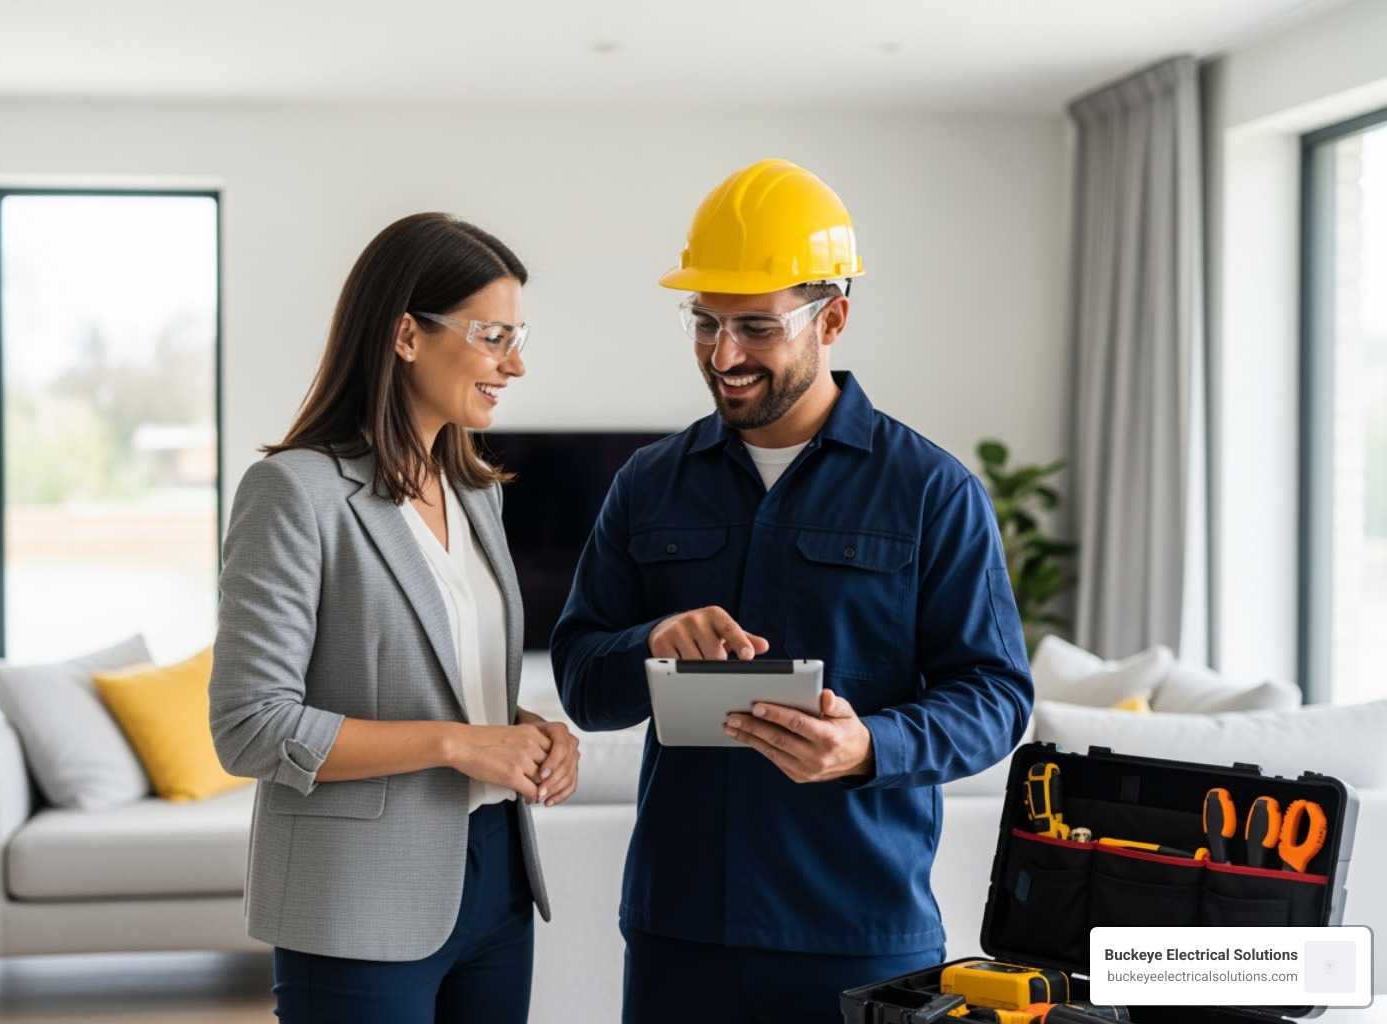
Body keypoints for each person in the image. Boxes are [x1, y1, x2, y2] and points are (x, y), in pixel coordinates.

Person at [550, 159, 1033, 1023]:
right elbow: (584, 681)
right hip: (681, 931)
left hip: (860, 934)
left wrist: (870, 746)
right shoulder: (647, 485)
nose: (723, 355)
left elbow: (997, 696)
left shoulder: (932, 491)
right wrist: (653, 640)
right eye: (704, 323)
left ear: (833, 318)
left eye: (755, 327)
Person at [210, 212, 579, 1024]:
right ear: (406, 333)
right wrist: (457, 744)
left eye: (519, 336)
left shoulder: (478, 493)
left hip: (494, 879)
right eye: (491, 335)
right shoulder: (294, 494)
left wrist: (525, 730)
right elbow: (249, 726)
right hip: (357, 900)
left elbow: (449, 682)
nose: (514, 364)